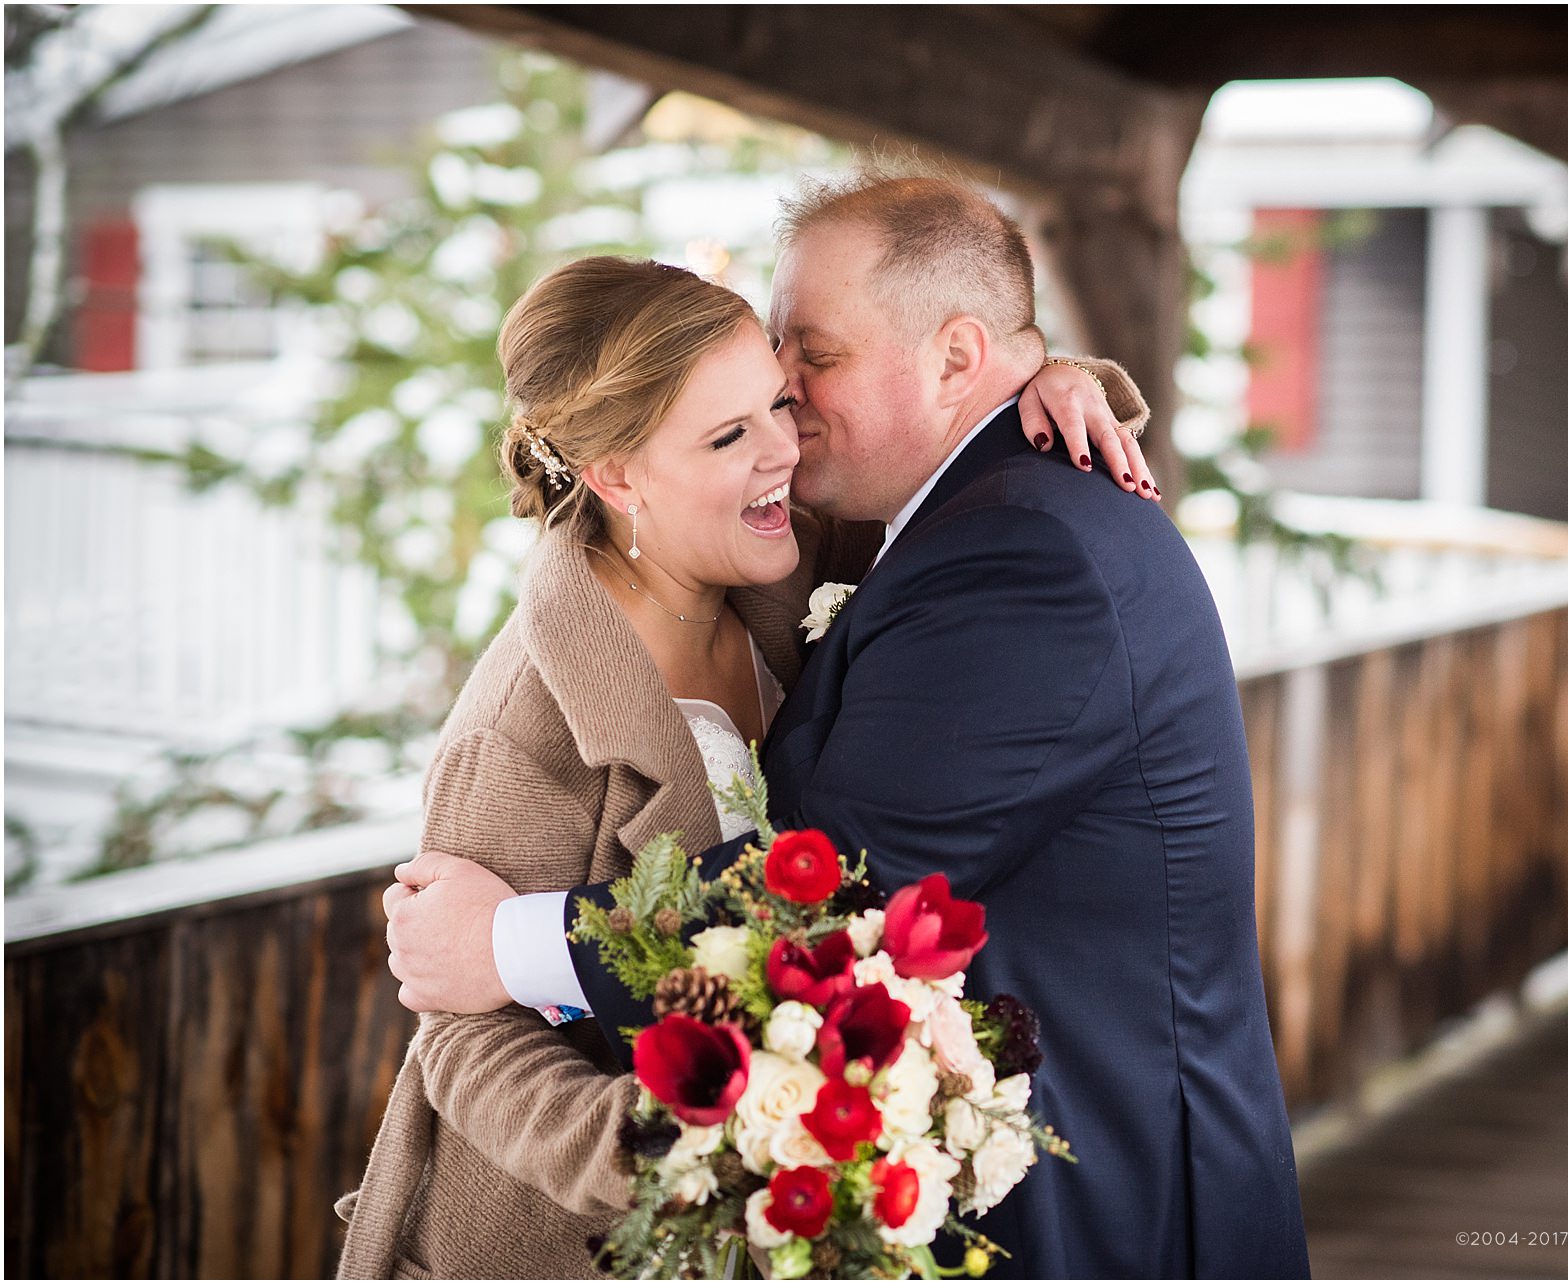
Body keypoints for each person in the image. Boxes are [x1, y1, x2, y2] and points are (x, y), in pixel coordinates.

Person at [385, 172, 1312, 1279]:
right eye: (740, 417)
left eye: (804, 363)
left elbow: (839, 883)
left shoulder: (965, 554)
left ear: (961, 358)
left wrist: (507, 941)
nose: (785, 411)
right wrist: (680, 1156)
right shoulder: (545, 706)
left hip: (1100, 1200)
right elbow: (464, 1032)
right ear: (618, 473)